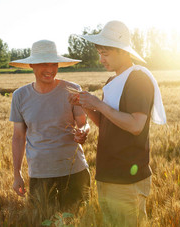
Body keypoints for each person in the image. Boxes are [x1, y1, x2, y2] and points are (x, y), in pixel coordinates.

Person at [68, 20, 166, 226]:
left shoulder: (138, 79)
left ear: (123, 51)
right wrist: (85, 105)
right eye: (100, 53)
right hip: (107, 174)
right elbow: (106, 124)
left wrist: (98, 104)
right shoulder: (112, 82)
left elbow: (135, 125)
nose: (101, 59)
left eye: (105, 53)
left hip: (128, 178)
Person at [9, 40, 90, 210]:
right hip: (40, 175)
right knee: (44, 220)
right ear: (31, 65)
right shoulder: (20, 96)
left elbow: (83, 123)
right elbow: (18, 137)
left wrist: (82, 132)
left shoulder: (72, 89)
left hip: (74, 172)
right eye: (44, 63)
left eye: (54, 64)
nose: (50, 69)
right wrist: (17, 174)